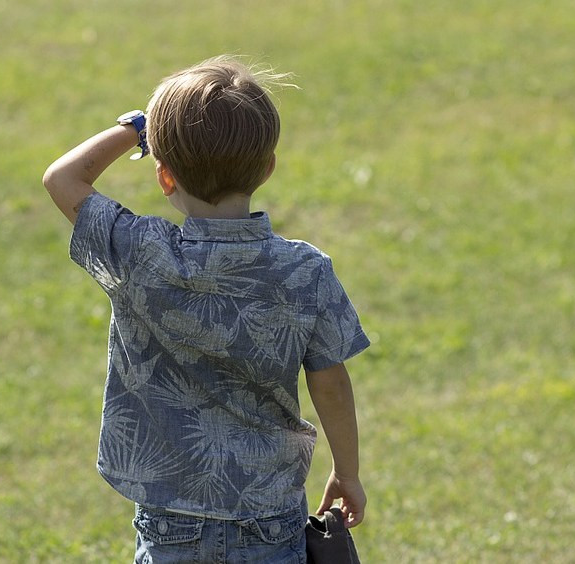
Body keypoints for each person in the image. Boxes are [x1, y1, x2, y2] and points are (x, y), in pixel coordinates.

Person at [43, 55, 370, 563]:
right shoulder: (305, 270)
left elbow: (61, 179)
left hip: (170, 517)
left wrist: (136, 128)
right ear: (268, 167)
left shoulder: (139, 254)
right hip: (269, 517)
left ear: (165, 178)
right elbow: (330, 380)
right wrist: (346, 473)